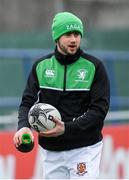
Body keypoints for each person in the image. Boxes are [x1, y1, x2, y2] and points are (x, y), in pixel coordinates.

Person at [13, 12, 110, 179]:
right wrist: (23, 126)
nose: (73, 39)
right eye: (68, 34)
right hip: (51, 151)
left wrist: (66, 128)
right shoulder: (41, 66)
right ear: (56, 37)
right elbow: (27, 102)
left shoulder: (95, 67)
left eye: (77, 34)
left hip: (85, 148)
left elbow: (99, 111)